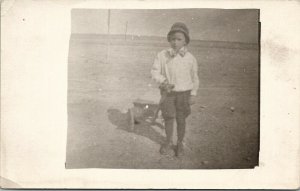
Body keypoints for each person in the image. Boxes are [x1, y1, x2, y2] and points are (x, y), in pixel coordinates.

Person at [151, 22, 199, 157]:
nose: (175, 42)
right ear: (169, 40)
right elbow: (155, 72)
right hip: (168, 93)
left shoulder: (190, 58)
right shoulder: (162, 55)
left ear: (185, 41)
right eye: (173, 39)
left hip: (184, 94)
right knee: (168, 117)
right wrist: (163, 81)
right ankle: (167, 141)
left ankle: (180, 142)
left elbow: (195, 77)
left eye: (179, 39)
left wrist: (193, 94)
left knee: (181, 118)